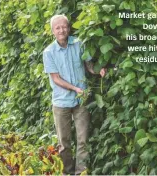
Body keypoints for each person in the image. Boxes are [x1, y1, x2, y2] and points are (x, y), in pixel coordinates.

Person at [43, 14, 106, 175]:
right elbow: (56, 79)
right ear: (53, 31)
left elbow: (88, 65)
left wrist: (98, 70)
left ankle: (81, 172)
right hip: (61, 102)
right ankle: (67, 172)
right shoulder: (49, 52)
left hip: (81, 100)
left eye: (64, 26)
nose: (62, 30)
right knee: (64, 143)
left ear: (69, 28)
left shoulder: (79, 44)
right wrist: (75, 88)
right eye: (57, 28)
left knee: (83, 140)